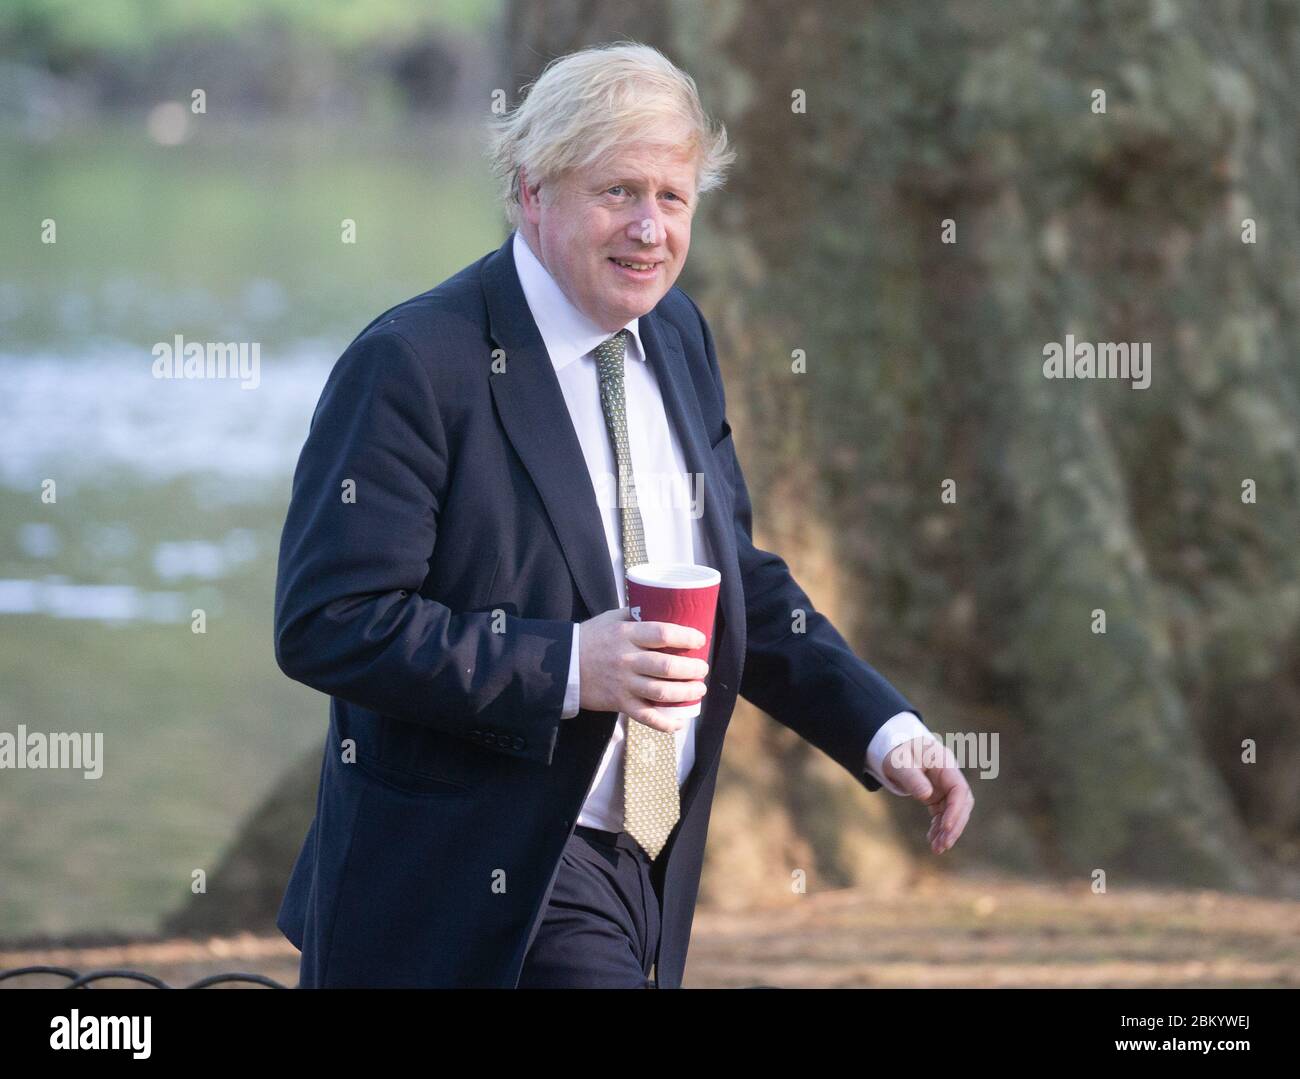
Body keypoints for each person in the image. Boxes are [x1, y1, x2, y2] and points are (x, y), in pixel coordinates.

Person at [273, 40, 972, 989]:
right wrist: (568, 665)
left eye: (672, 198)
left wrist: (883, 728)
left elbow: (735, 584)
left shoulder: (678, 334)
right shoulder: (412, 363)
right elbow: (329, 624)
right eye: (618, 193)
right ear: (532, 193)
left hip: (639, 865)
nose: (650, 229)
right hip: (454, 882)